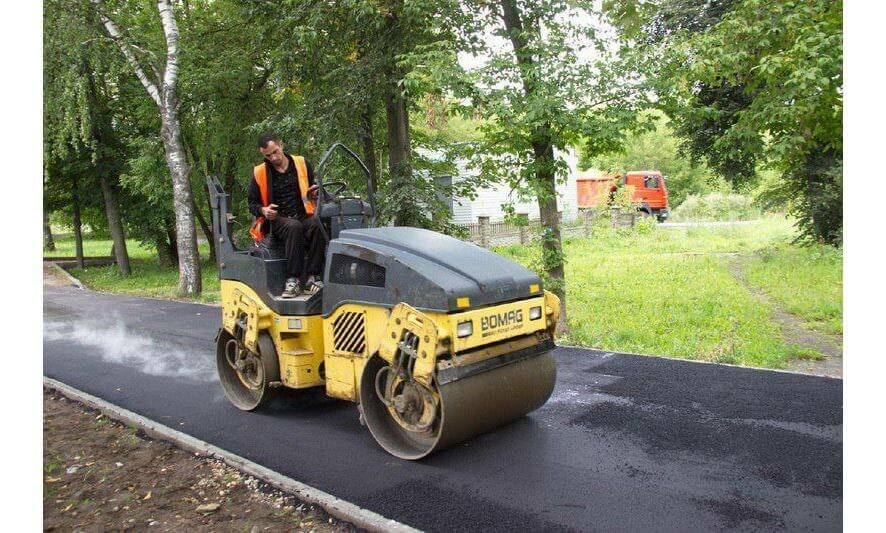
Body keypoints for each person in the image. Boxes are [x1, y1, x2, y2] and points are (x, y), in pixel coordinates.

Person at [248, 132, 326, 298]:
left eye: (275, 152)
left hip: (302, 213)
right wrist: (264, 210)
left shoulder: (302, 163)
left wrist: (315, 192)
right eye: (268, 155)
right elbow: (252, 204)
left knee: (317, 223)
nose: (273, 157)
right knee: (293, 227)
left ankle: (313, 277)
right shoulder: (259, 172)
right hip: (277, 220)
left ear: (281, 145)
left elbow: (312, 187)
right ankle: (293, 280)